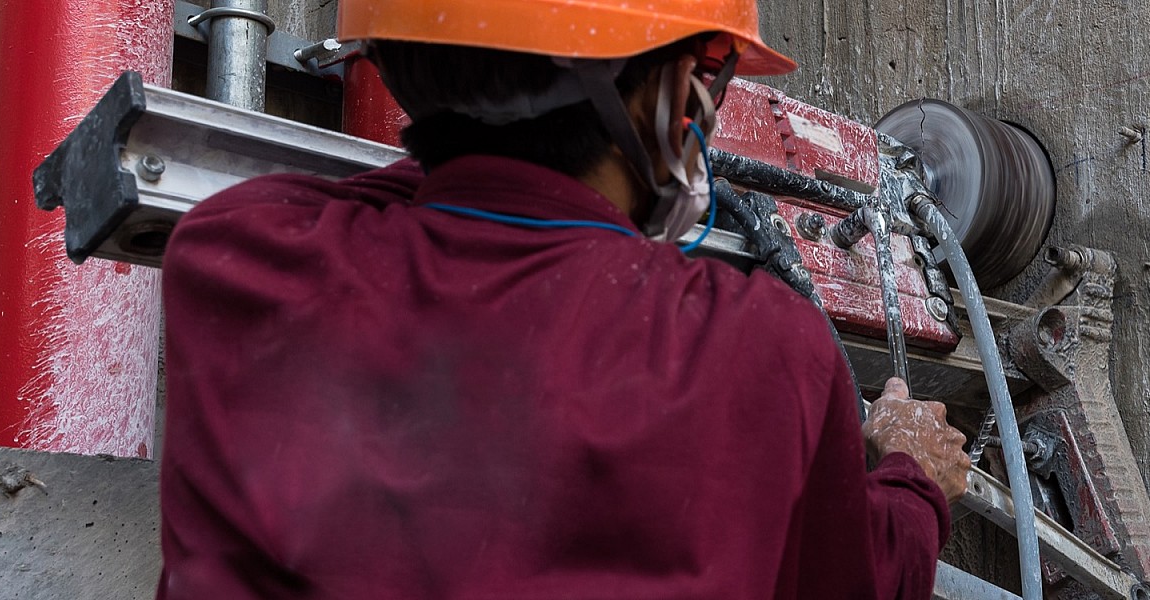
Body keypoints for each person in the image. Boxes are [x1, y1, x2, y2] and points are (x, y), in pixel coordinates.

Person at [155, 1, 971, 598]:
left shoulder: (243, 257)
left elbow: (422, 203)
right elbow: (855, 583)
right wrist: (913, 479)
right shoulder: (758, 349)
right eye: (711, 76)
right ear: (673, 94)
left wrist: (474, 127)